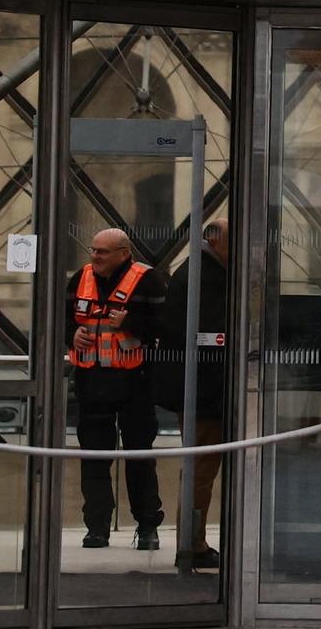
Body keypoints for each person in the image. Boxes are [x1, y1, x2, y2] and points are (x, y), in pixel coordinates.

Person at [70, 227, 167, 551]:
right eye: (93, 249)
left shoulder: (149, 280)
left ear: (124, 253)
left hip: (135, 384)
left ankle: (147, 526)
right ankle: (96, 528)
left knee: (139, 457)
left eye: (103, 251)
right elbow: (59, 319)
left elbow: (167, 326)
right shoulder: (79, 278)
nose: (95, 256)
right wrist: (72, 335)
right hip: (90, 382)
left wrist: (129, 324)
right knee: (94, 459)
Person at [160, 219, 230, 571]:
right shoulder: (205, 279)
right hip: (206, 392)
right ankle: (193, 542)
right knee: (201, 469)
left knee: (200, 468)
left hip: (200, 389)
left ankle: (193, 539)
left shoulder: (194, 272)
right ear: (217, 243)